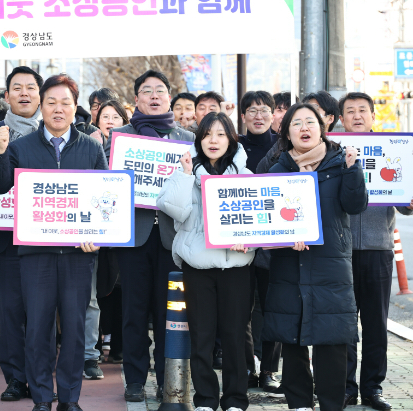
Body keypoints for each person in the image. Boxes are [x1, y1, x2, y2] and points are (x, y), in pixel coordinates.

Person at [0, 73, 107, 411]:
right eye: (51, 102)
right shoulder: (20, 147)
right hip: (34, 255)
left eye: (65, 103)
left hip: (77, 256)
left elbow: (104, 199)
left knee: (73, 329)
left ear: (74, 107)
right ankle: (41, 397)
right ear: (42, 105)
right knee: (37, 328)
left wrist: (97, 237)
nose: (58, 109)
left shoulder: (91, 148)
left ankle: (69, 398)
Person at [263, 103, 368, 411]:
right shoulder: (277, 170)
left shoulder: (340, 163)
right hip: (289, 266)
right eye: (297, 123)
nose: (304, 128)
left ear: (322, 128)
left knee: (333, 342)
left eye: (311, 122)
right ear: (287, 132)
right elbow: (268, 221)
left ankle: (332, 405)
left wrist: (353, 169)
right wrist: (285, 238)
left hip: (330, 265)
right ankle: (299, 405)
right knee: (292, 340)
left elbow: (355, 205)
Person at [105, 70, 195, 403]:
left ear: (169, 97)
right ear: (136, 100)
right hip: (135, 235)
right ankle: (134, 379)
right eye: (147, 91)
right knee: (134, 311)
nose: (154, 96)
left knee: (168, 312)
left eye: (160, 90)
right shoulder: (120, 138)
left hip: (172, 238)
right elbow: (108, 186)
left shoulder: (187, 139)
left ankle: (166, 378)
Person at [157, 112, 253, 411]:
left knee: (235, 336)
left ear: (231, 139)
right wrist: (185, 175)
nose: (214, 140)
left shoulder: (245, 177)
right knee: (201, 335)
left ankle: (236, 399)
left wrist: (250, 240)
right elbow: (173, 210)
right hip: (197, 267)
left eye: (221, 134)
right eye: (208, 134)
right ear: (199, 139)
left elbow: (260, 221)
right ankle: (206, 400)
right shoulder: (187, 173)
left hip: (236, 266)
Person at [339, 92, 413, 410]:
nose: (357, 116)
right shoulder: (331, 152)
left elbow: (403, 202)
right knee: (342, 324)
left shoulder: (390, 151)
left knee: (375, 325)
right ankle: (344, 387)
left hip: (378, 249)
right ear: (340, 118)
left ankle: (373, 387)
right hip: (339, 253)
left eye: (362, 111)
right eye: (350, 111)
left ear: (372, 116)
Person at [0, 66, 44, 401]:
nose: (24, 93)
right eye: (17, 87)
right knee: (11, 313)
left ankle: (40, 377)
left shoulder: (55, 131)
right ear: (7, 97)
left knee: (43, 314)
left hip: (46, 239)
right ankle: (16, 379)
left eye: (30, 87)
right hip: (5, 238)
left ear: (40, 95)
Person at [237, 91, 282, 396]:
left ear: (273, 114)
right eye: (251, 110)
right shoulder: (233, 147)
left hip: (271, 242)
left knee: (271, 307)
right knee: (240, 309)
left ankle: (268, 370)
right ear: (243, 116)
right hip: (238, 241)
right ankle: (246, 368)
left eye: (264, 110)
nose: (258, 116)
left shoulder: (283, 145)